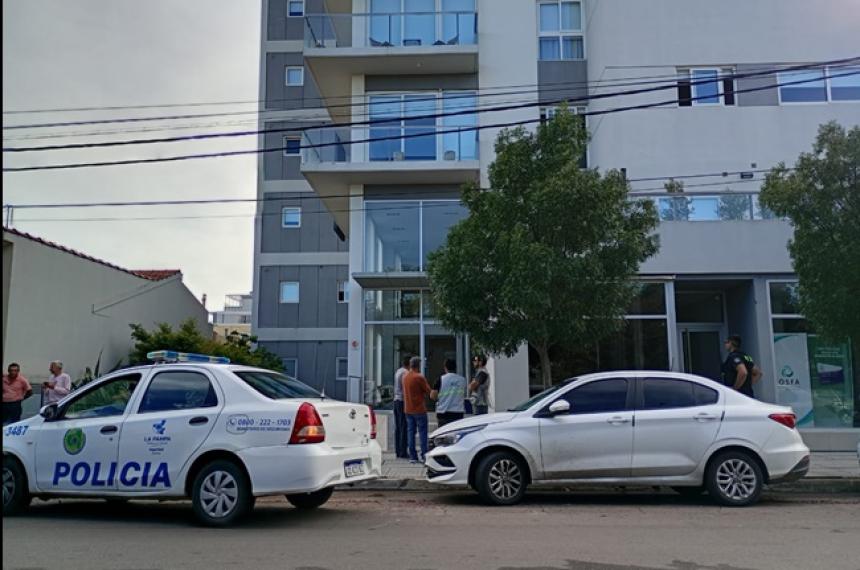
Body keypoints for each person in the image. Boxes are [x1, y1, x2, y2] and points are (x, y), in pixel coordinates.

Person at [402, 356, 431, 463]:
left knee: (411, 433)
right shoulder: (419, 377)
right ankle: (424, 455)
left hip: (408, 409)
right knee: (423, 433)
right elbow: (428, 390)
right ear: (418, 365)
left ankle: (413, 456)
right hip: (419, 409)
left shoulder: (405, 377)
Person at [431, 358, 467, 428]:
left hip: (443, 412)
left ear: (445, 367)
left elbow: (432, 396)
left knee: (443, 435)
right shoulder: (462, 380)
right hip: (458, 412)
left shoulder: (440, 379)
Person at [392, 355, 411, 459]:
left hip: (396, 400)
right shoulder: (405, 373)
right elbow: (406, 388)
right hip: (402, 401)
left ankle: (398, 450)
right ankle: (403, 451)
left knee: (398, 427)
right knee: (403, 426)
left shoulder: (398, 371)